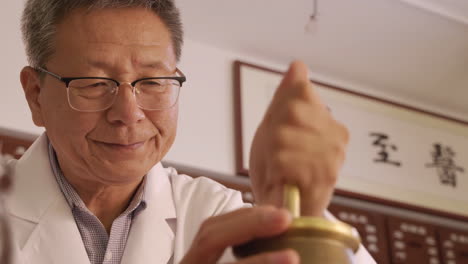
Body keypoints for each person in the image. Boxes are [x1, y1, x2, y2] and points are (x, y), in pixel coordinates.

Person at [5, 0, 376, 263]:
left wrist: (302, 214)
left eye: (152, 81)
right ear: (36, 96)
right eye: (95, 83)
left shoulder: (216, 212)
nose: (128, 114)